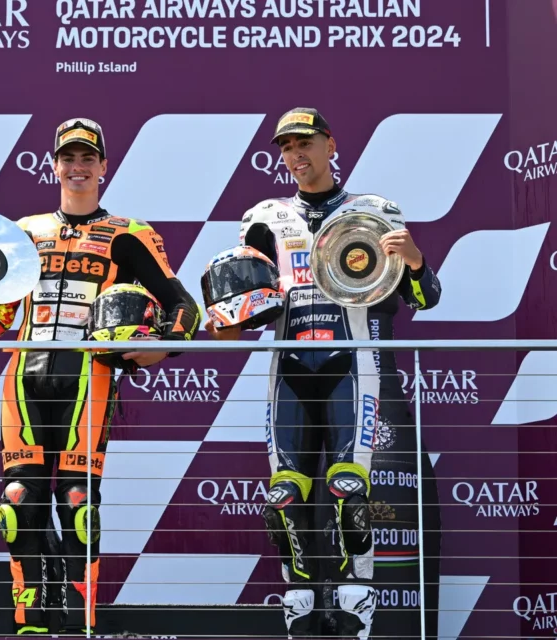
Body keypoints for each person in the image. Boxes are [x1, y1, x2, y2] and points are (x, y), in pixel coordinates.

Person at [0, 118, 200, 635]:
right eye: (68, 158)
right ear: (53, 166)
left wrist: (159, 349)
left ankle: (82, 625)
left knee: (77, 507)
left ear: (104, 169)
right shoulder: (22, 233)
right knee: (17, 505)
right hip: (22, 380)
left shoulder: (128, 234)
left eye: (87, 159)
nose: (78, 167)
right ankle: (31, 623)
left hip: (88, 381)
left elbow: (181, 304)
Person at [206, 108, 442, 638]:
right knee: (284, 496)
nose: (296, 155)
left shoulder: (372, 212)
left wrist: (416, 259)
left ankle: (357, 610)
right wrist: (223, 315)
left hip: (353, 364)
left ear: (331, 144)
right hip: (287, 366)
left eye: (305, 143)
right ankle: (297, 606)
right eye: (287, 146)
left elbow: (426, 298)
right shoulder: (263, 217)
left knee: (348, 491)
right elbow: (240, 313)